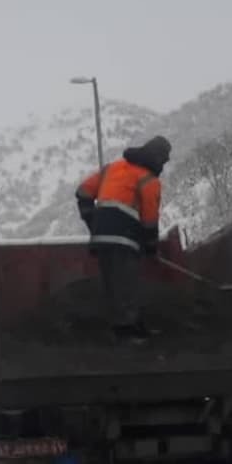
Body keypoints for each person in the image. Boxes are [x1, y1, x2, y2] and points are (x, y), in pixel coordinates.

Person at [75, 134, 172, 339]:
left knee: (113, 284)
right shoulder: (149, 180)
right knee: (127, 285)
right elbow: (149, 218)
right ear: (158, 158)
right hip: (125, 238)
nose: (165, 163)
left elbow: (83, 192)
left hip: (101, 238)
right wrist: (151, 247)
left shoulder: (113, 167)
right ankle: (128, 332)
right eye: (165, 159)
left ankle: (128, 326)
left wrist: (93, 222)